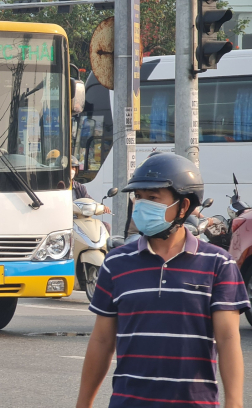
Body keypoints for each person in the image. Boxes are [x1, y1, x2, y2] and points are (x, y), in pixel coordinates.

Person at [76, 152, 249, 408]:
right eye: (139, 197)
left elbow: (228, 340)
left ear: (184, 206)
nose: (141, 205)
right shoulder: (115, 263)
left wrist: (234, 403)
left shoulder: (218, 264)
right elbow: (101, 341)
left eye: (153, 198)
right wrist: (83, 404)